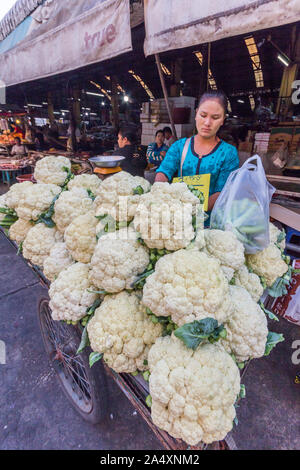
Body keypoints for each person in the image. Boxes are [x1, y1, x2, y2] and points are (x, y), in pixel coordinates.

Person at [155, 90, 240, 213]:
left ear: (222, 120)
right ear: (196, 114)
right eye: (203, 115)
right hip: (179, 218)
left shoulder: (228, 153)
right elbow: (164, 172)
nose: (207, 123)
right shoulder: (179, 147)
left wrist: (195, 211)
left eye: (215, 117)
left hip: (210, 224)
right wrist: (159, 189)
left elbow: (222, 191)